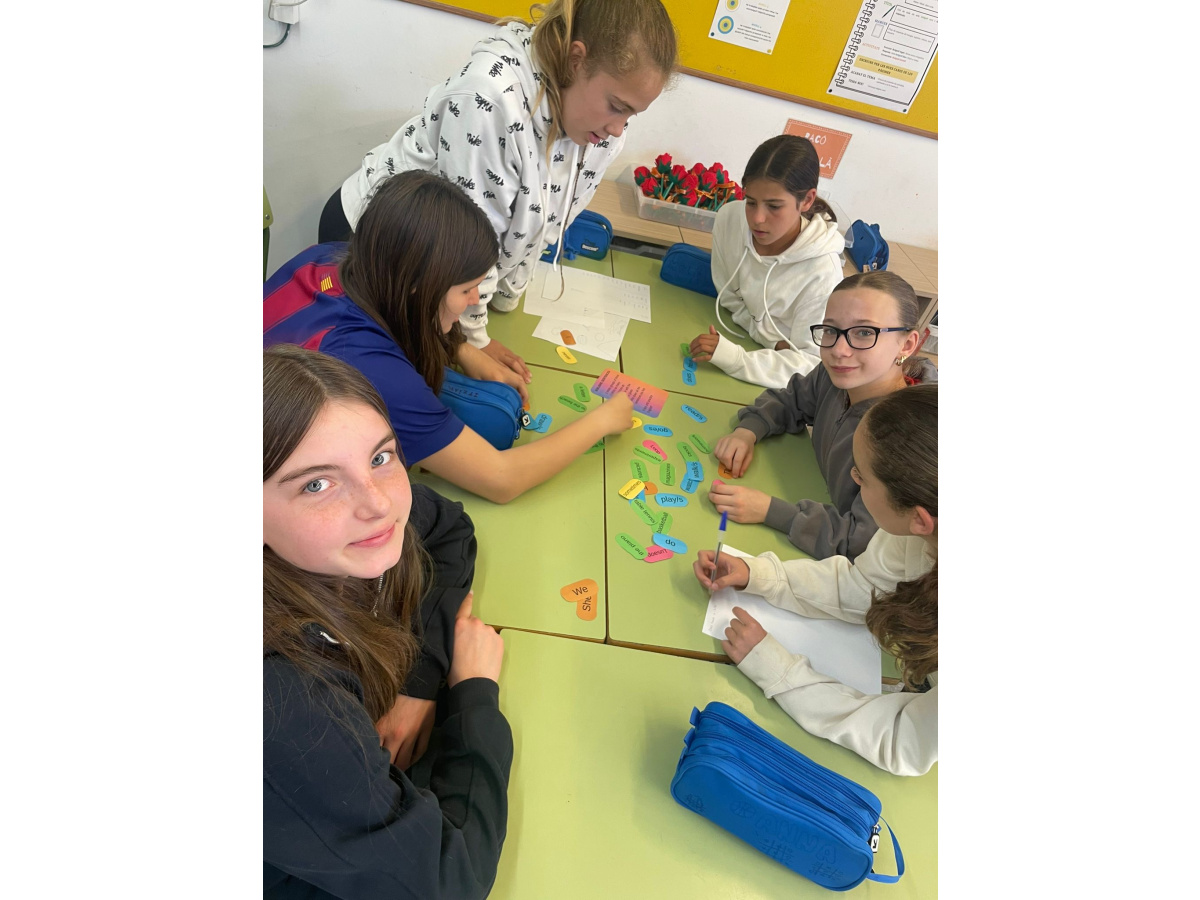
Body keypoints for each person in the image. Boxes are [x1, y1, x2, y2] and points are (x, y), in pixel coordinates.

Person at [263, 344, 512, 898]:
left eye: (381, 457)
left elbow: (447, 527)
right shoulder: (284, 706)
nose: (378, 504)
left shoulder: (343, 537)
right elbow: (451, 882)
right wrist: (473, 694)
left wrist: (419, 683)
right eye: (316, 484)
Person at [320, 0, 678, 382]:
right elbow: (469, 239)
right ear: (576, 61)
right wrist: (470, 339)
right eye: (616, 107)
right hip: (373, 249)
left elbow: (550, 218)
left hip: (448, 279)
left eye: (632, 114)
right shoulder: (490, 98)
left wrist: (506, 298)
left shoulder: (603, 132)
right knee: (380, 386)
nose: (618, 129)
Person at [267, 169, 635, 504]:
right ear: (417, 285)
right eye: (466, 289)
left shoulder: (333, 256)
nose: (475, 300)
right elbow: (501, 479)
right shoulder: (371, 370)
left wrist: (463, 349)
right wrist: (603, 421)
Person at [693, 383, 937, 777]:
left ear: (920, 518)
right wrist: (760, 574)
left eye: (862, 478)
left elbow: (900, 741)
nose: (853, 478)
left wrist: (781, 672)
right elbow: (864, 588)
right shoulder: (918, 530)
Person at [708, 270, 936, 561]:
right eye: (830, 330)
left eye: (864, 332)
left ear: (907, 344)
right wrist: (748, 430)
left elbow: (859, 543)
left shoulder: (906, 440)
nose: (839, 350)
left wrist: (771, 511)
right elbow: (791, 399)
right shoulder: (837, 375)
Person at [687, 134, 846, 389]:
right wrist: (772, 341)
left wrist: (738, 359)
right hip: (744, 343)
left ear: (807, 200)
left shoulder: (823, 272)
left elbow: (812, 364)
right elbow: (728, 297)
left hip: (773, 381)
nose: (757, 219)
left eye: (774, 206)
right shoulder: (730, 219)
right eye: (751, 202)